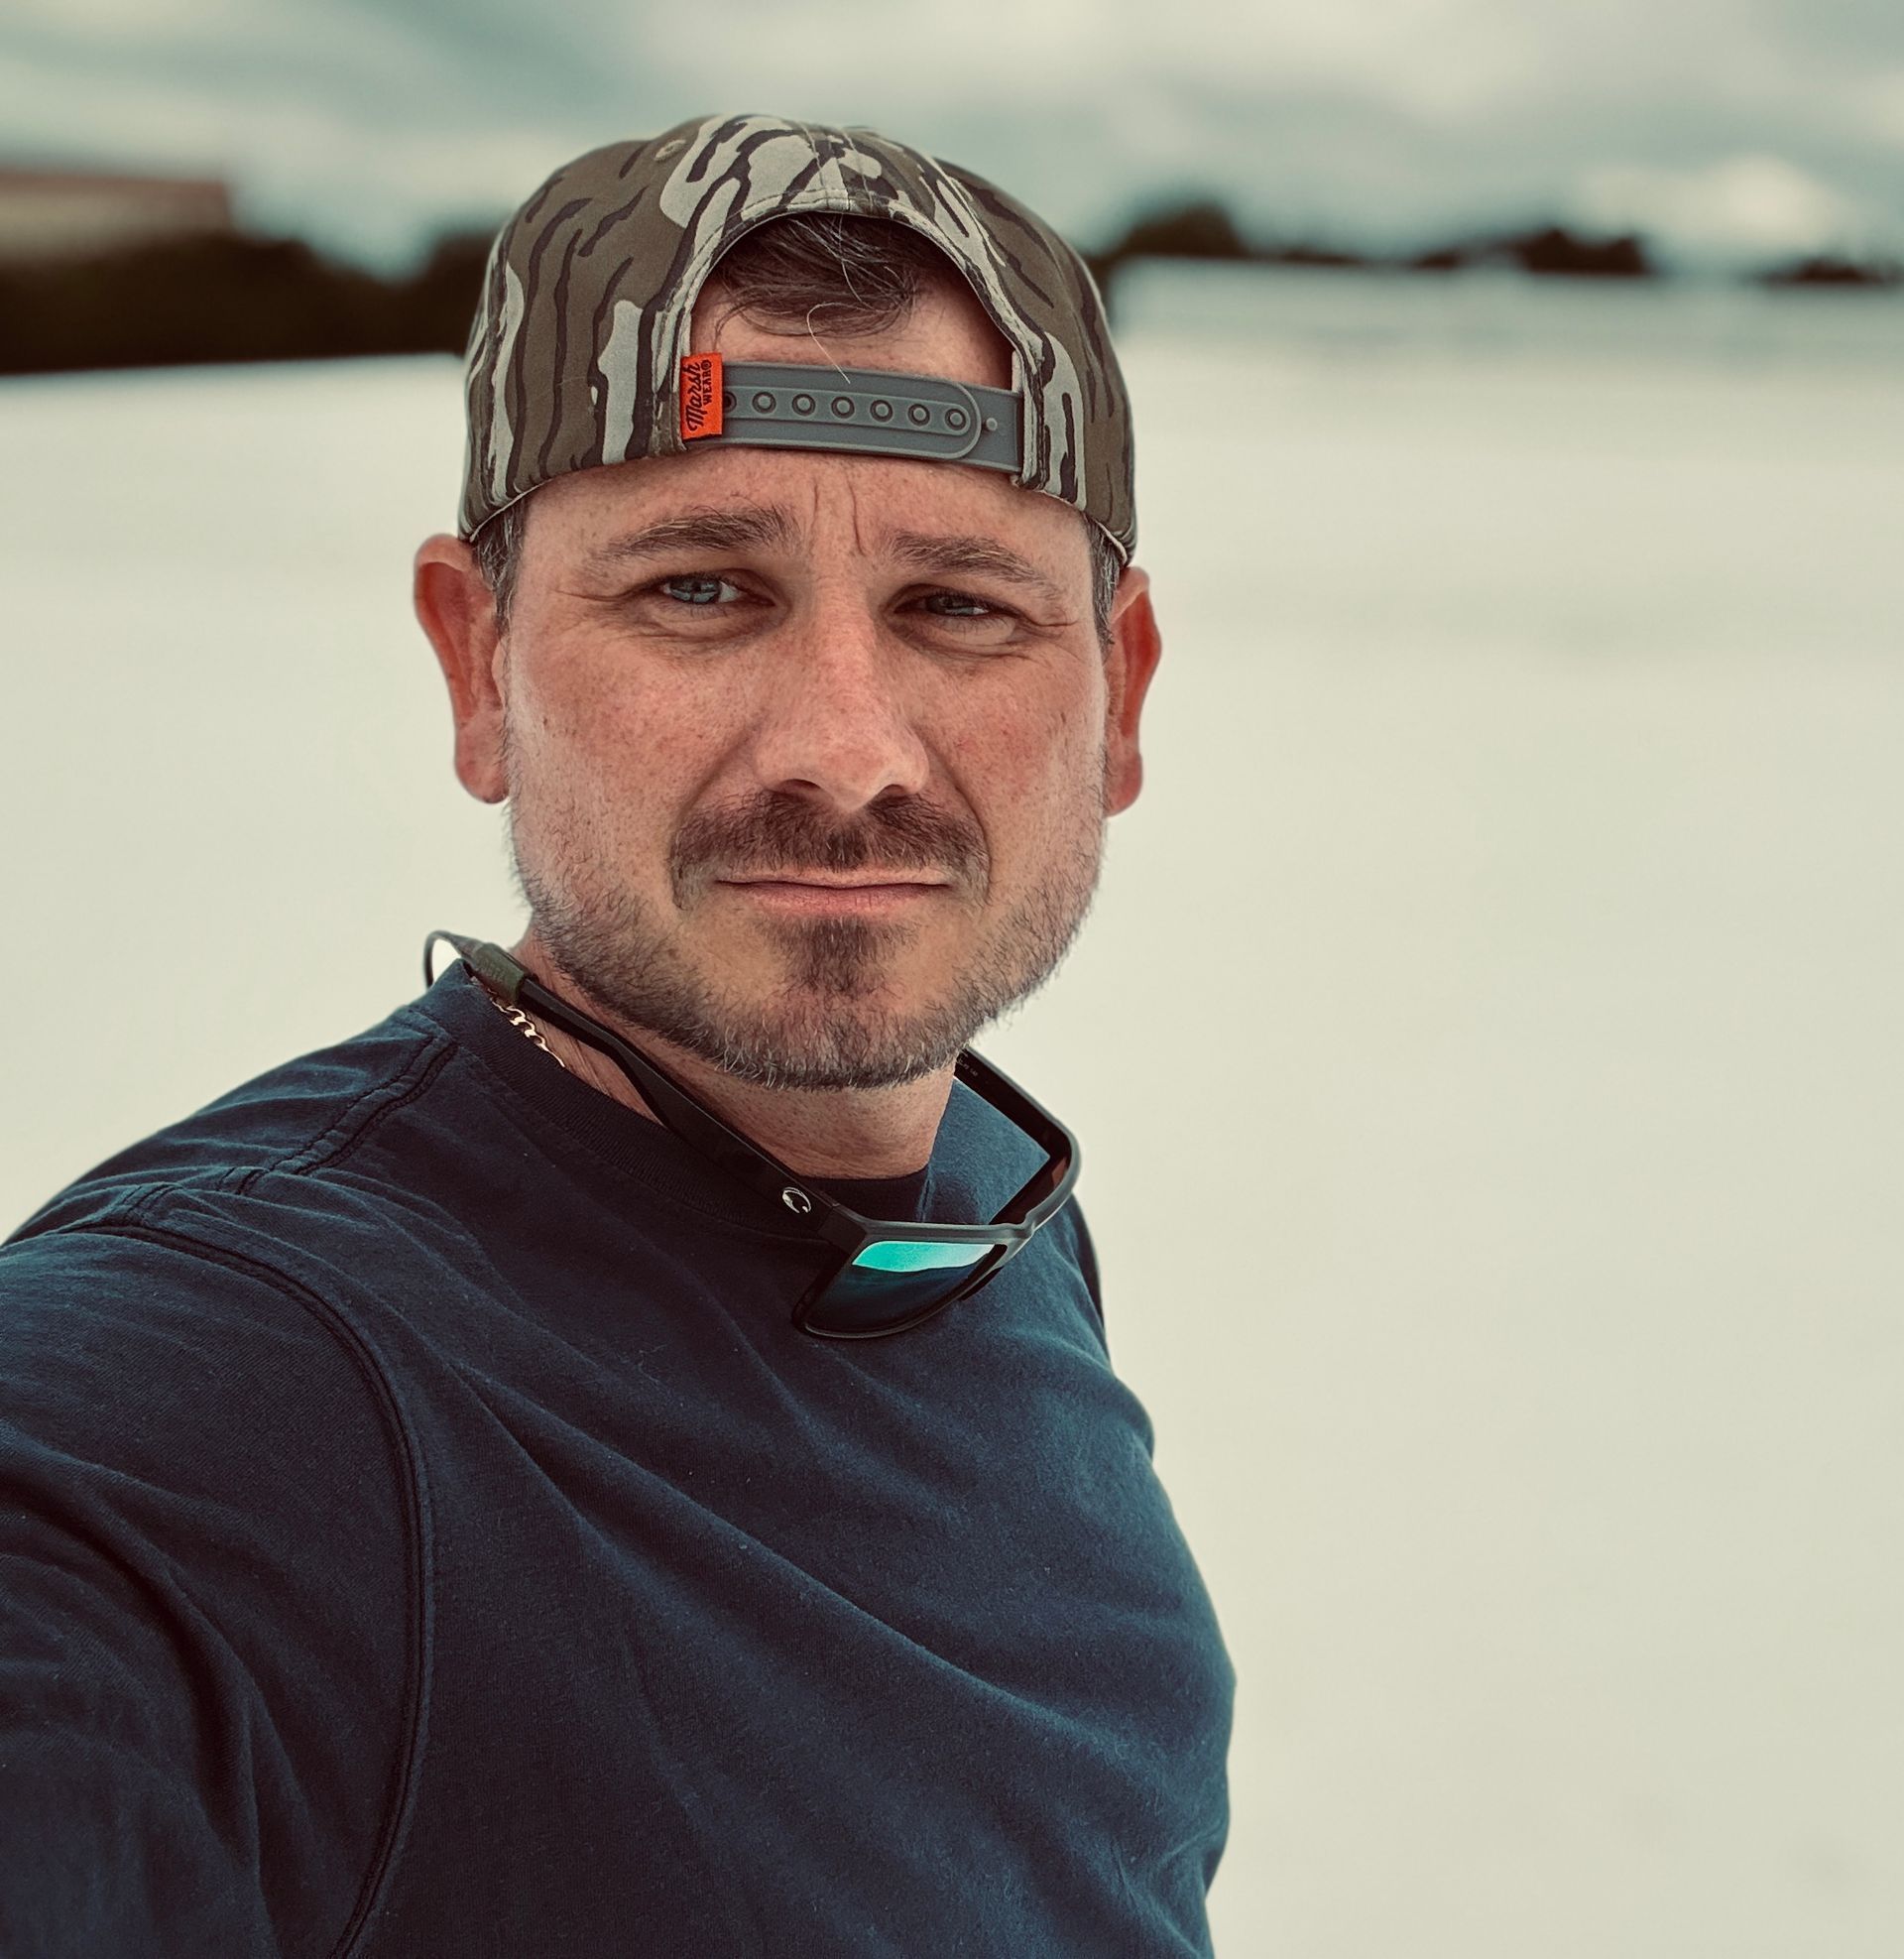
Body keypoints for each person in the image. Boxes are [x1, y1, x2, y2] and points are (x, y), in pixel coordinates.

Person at [0, 112, 1233, 1954]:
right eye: (700, 590)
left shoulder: (985, 1221)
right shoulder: (209, 1402)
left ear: (1118, 698)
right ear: (474, 661)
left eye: (959, 608)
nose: (849, 747)